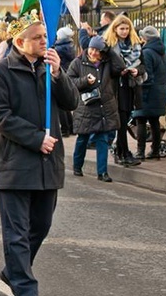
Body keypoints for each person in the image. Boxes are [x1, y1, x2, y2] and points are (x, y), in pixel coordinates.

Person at [0, 11, 79, 296]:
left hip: (48, 165)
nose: (44, 42)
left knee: (41, 225)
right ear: (19, 41)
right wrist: (36, 138)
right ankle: (27, 291)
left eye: (45, 37)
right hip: (17, 163)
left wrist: (58, 74)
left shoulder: (49, 69)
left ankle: (13, 271)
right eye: (38, 37)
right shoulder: (0, 72)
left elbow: (72, 102)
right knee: (16, 232)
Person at [67, 35, 124, 181]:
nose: (93, 53)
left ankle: (102, 172)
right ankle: (77, 166)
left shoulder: (107, 62)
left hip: (104, 107)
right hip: (87, 107)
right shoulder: (78, 62)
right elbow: (69, 82)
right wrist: (85, 81)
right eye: (92, 49)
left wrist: (110, 50)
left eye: (98, 50)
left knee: (103, 139)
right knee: (83, 138)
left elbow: (120, 68)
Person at [104, 15, 145, 167]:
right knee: (120, 121)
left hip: (130, 86)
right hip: (116, 87)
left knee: (125, 118)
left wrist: (136, 71)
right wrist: (118, 72)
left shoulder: (136, 45)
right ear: (115, 29)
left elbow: (143, 66)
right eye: (121, 28)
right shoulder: (109, 46)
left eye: (127, 28)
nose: (124, 31)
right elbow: (105, 69)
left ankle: (120, 151)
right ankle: (124, 153)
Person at [134, 26, 166, 160]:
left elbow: (147, 74)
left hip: (147, 92)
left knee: (141, 121)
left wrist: (140, 87)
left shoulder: (147, 52)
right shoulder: (161, 51)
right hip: (159, 91)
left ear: (146, 38)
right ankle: (155, 151)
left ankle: (140, 151)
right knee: (154, 121)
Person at [54, 26, 77, 136]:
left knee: (61, 107)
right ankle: (71, 126)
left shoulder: (59, 48)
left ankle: (65, 128)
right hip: (67, 72)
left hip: (61, 72)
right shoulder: (70, 45)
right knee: (66, 104)